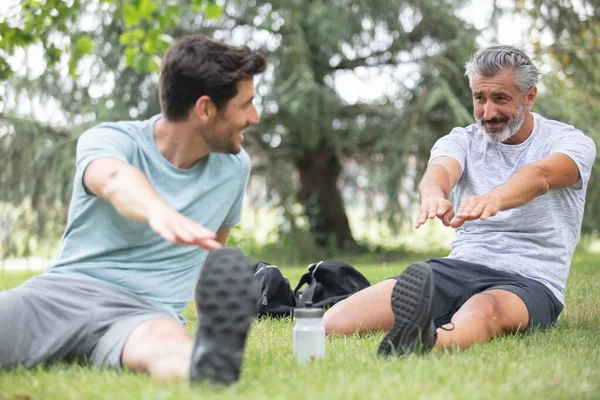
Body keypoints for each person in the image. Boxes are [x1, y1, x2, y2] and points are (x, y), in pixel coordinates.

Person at [0, 35, 266, 384]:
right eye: (245, 104)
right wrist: (159, 211)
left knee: (169, 347)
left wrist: (210, 327)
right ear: (205, 109)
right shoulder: (109, 140)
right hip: (60, 295)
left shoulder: (234, 167)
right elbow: (112, 179)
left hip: (145, 315)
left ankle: (208, 364)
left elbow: (209, 256)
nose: (255, 116)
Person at [322, 45, 596, 356]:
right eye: (480, 98)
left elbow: (541, 175)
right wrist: (433, 196)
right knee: (335, 323)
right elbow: (439, 169)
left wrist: (495, 198)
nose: (488, 113)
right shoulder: (462, 140)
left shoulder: (570, 142)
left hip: (530, 280)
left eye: (501, 99)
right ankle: (435, 314)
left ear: (529, 95)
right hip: (459, 267)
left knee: (484, 308)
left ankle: (429, 342)